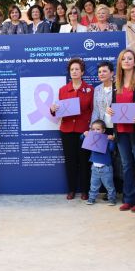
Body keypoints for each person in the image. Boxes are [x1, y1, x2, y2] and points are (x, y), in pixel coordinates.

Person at [107, 49, 135, 212]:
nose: (126, 61)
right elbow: (115, 105)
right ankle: (128, 198)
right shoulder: (115, 83)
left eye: (129, 58)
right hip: (120, 129)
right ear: (119, 63)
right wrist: (111, 110)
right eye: (123, 59)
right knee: (126, 165)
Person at [50, 58, 95, 199]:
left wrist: (91, 129)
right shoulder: (63, 90)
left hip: (84, 131)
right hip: (67, 130)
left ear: (82, 72)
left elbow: (94, 111)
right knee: (70, 161)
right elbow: (59, 111)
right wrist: (53, 109)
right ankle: (71, 190)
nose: (74, 71)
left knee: (84, 161)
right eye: (72, 69)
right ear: (69, 73)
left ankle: (85, 191)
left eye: (77, 69)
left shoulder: (90, 89)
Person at [82, 120, 117, 205]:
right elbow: (82, 139)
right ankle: (91, 199)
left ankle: (112, 199)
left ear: (103, 130)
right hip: (94, 167)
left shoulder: (106, 139)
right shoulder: (91, 138)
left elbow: (112, 149)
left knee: (109, 185)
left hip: (106, 167)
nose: (95, 131)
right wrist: (84, 134)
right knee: (93, 185)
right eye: (93, 129)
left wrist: (111, 140)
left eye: (98, 129)